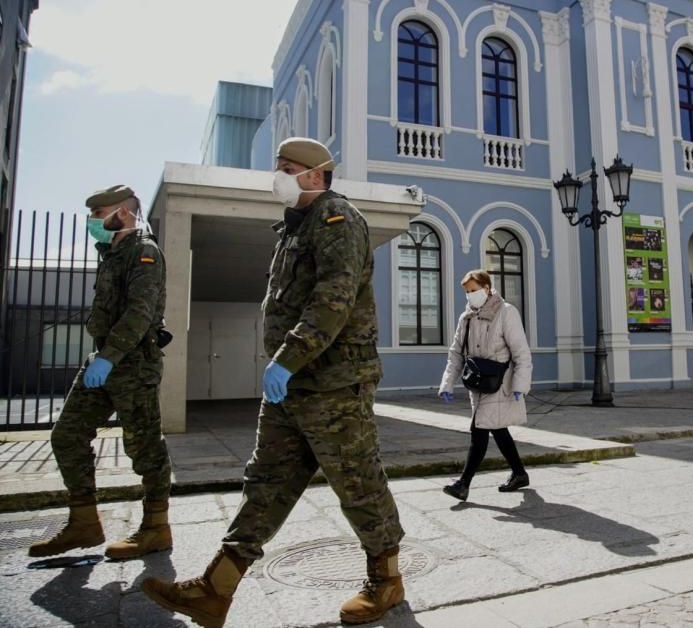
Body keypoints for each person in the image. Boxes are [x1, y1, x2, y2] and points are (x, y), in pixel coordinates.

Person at [141, 138, 405, 627]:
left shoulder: (337, 219)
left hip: (334, 386)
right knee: (265, 480)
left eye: (285, 168)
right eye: (277, 167)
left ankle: (386, 580)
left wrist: (286, 358)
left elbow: (334, 297)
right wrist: (285, 367)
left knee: (357, 483)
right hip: (293, 386)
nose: (276, 176)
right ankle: (215, 589)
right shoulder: (292, 229)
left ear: (314, 174)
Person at [28, 186, 173, 561]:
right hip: (103, 360)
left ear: (123, 214)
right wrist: (102, 358)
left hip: (133, 364)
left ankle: (156, 528)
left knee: (145, 447)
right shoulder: (111, 253)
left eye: (100, 213)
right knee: (67, 435)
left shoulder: (144, 251)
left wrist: (109, 358)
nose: (93, 221)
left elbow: (140, 312)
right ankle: (84, 523)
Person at [438, 269, 533, 501]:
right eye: (467, 292)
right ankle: (519, 473)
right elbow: (456, 353)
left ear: (487, 288)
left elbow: (521, 352)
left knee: (479, 430)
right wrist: (447, 383)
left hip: (500, 383)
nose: (470, 295)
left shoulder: (507, 312)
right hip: (478, 383)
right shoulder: (466, 317)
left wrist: (521, 384)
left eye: (474, 290)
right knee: (498, 429)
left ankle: (463, 484)